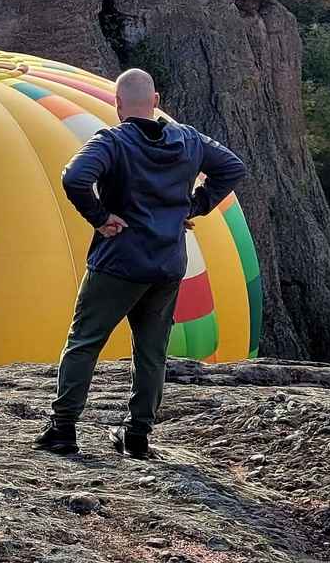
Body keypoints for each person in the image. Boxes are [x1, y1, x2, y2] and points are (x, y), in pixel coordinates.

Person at [35, 68, 246, 459]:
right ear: (156, 101)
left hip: (118, 263)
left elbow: (75, 177)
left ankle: (63, 429)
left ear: (117, 105)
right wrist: (193, 205)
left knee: (83, 342)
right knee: (152, 351)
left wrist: (100, 217)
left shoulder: (111, 141)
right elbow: (232, 167)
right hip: (167, 264)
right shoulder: (189, 139)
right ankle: (137, 436)